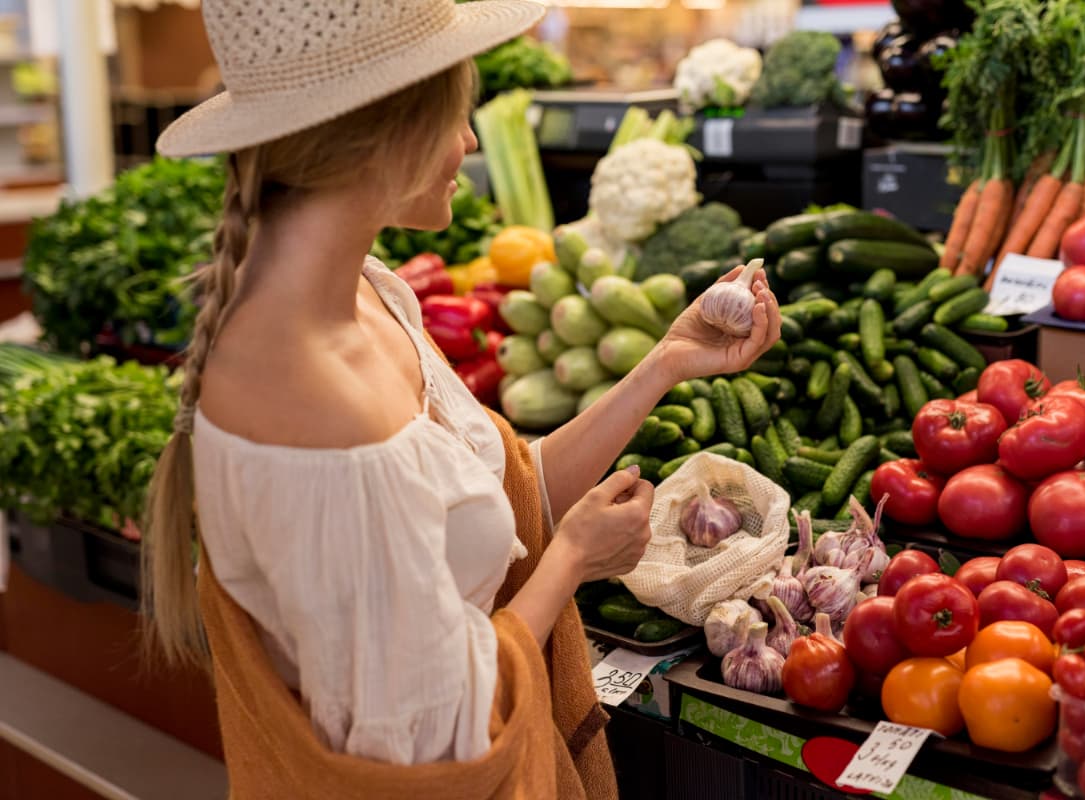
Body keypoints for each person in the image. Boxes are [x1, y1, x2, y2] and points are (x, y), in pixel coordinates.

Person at [141, 1, 782, 797]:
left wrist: (666, 363)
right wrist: (571, 561)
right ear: (387, 127)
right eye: (456, 113)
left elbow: (501, 493)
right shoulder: (310, 398)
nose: (471, 141)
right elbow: (436, 737)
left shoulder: (373, 294)